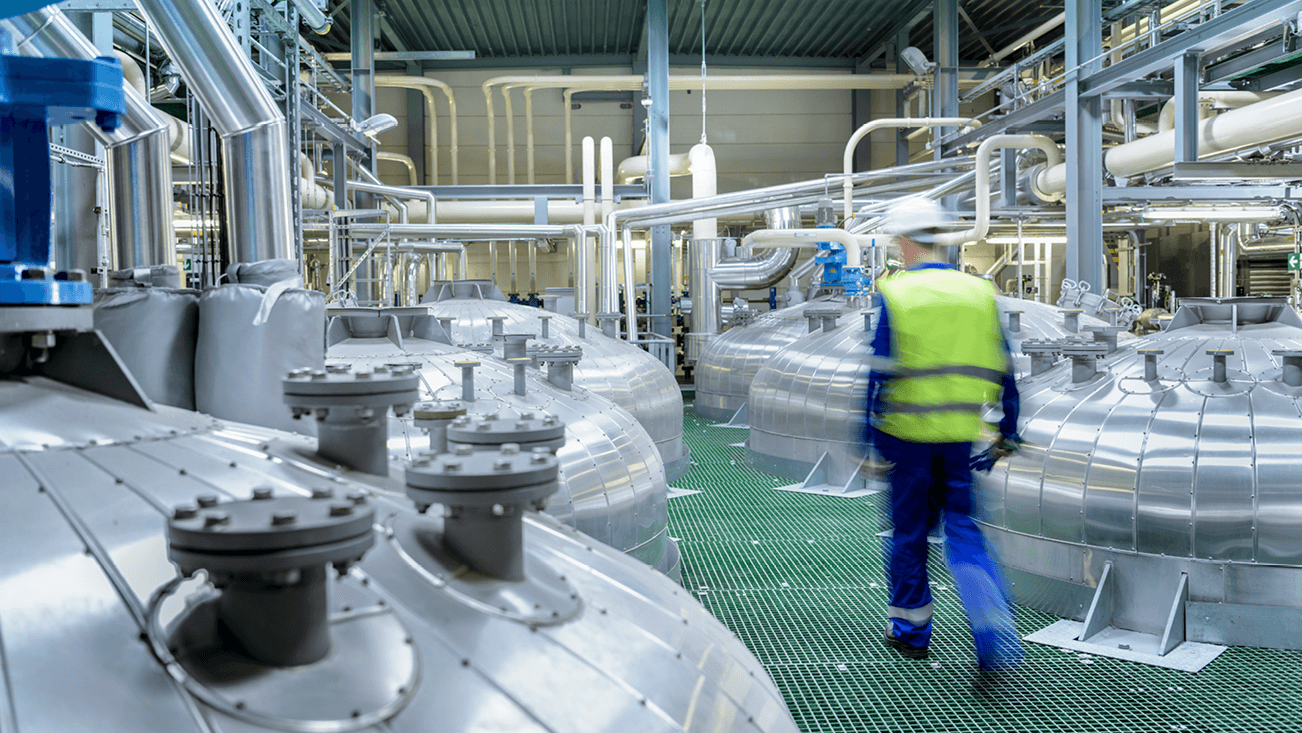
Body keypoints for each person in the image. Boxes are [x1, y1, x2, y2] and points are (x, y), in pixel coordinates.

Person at [864, 197, 1023, 673]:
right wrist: (1006, 432)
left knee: (909, 535)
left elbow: (878, 376)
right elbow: (1005, 371)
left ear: (908, 242)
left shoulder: (897, 295)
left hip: (906, 439)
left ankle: (912, 632)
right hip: (959, 437)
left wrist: (866, 442)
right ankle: (995, 635)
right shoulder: (979, 293)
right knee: (963, 532)